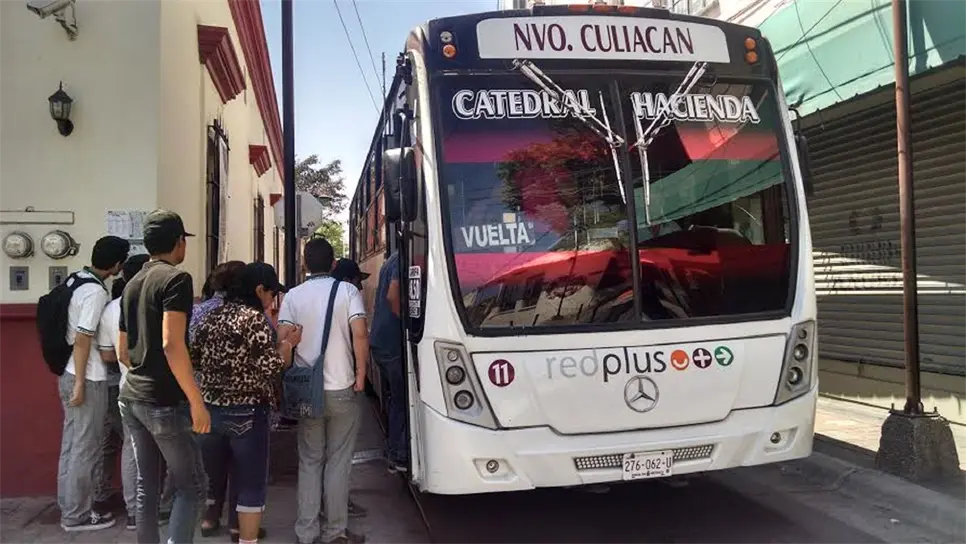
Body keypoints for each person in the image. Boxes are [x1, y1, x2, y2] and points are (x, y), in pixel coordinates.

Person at [117, 209, 209, 544]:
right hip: (163, 401)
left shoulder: (131, 283)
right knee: (192, 486)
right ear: (179, 242)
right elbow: (172, 343)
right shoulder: (176, 279)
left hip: (131, 397)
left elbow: (123, 351)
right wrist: (197, 402)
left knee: (148, 487)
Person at [192, 262, 301, 544]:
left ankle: (217, 520)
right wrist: (287, 345)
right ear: (258, 290)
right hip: (248, 412)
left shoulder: (208, 316)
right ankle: (245, 539)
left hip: (211, 410)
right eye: (271, 293)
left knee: (216, 474)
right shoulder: (252, 319)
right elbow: (273, 367)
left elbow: (194, 360)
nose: (272, 300)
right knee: (250, 483)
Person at [278, 238, 369, 544]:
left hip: (307, 392)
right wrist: (361, 375)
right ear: (333, 264)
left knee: (310, 460)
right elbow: (360, 334)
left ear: (305, 264)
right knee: (338, 462)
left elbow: (283, 346)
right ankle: (335, 532)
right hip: (342, 387)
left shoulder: (292, 296)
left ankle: (306, 533)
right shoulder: (347, 291)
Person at [57, 235, 130, 532]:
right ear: (117, 264)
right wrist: (80, 386)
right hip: (87, 377)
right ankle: (77, 516)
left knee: (72, 445)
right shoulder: (96, 293)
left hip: (69, 373)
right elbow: (84, 337)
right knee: (86, 447)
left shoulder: (76, 280)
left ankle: (69, 506)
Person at [94, 253, 150, 530]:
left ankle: (134, 511)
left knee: (132, 447)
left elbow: (107, 356)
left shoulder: (110, 309)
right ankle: (160, 505)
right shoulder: (161, 303)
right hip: (159, 388)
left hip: (127, 386)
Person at [369, 250, 408, 473]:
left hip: (381, 342)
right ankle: (398, 454)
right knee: (402, 399)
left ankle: (394, 448)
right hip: (392, 342)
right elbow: (394, 296)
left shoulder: (392, 259)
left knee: (395, 398)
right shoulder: (403, 258)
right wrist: (407, 326)